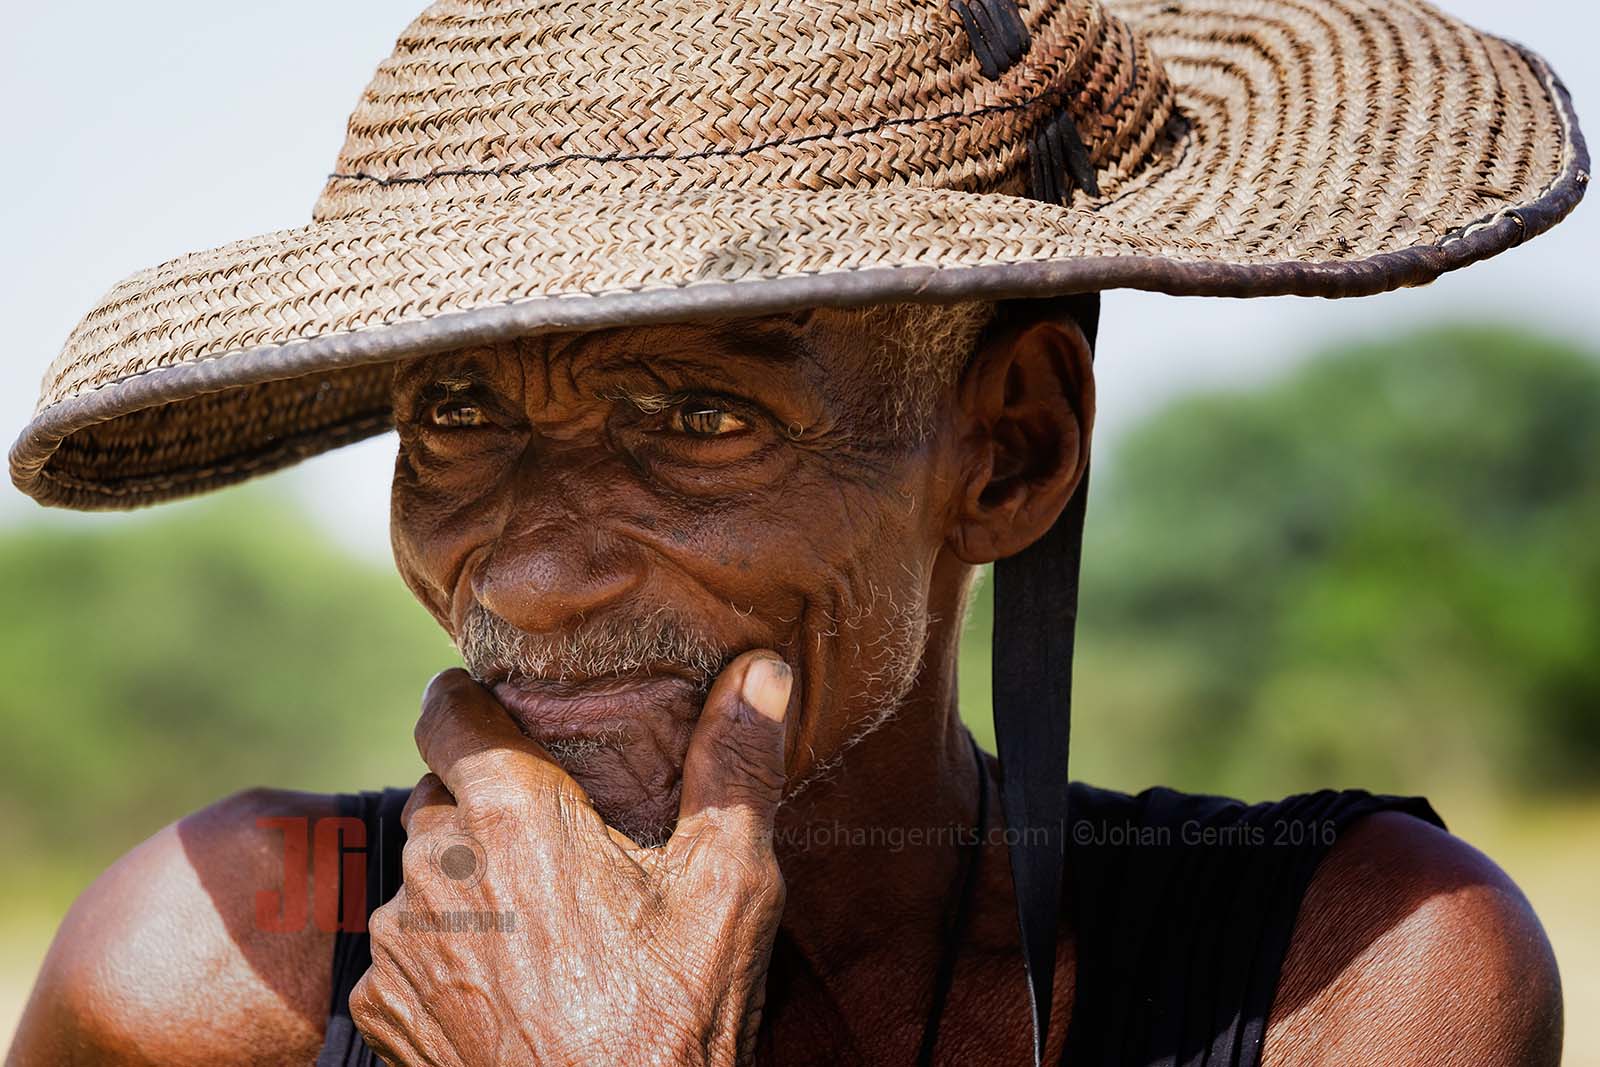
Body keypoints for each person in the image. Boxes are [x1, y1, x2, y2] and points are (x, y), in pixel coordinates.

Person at [6, 0, 1586, 1063]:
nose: (532, 576)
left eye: (699, 421)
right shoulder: (216, 979)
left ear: (1011, 454)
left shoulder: (1356, 978)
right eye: (461, 419)